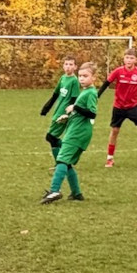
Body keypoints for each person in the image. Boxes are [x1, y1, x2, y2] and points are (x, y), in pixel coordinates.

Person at [41, 62, 98, 203]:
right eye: (80, 76)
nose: (81, 79)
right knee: (67, 163)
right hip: (76, 130)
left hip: (78, 133)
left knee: (61, 159)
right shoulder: (85, 91)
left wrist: (75, 108)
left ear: (94, 78)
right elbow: (80, 111)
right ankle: (76, 193)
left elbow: (92, 113)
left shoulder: (91, 93)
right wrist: (67, 116)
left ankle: (55, 191)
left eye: (85, 76)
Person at [40, 57, 80, 164]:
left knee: (51, 137)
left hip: (63, 114)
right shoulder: (62, 78)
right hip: (57, 112)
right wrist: (46, 108)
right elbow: (55, 95)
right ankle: (64, 160)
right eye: (66, 64)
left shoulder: (74, 81)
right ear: (63, 66)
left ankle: (64, 160)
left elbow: (74, 99)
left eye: (71, 64)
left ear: (75, 67)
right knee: (52, 138)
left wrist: (68, 115)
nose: (68, 66)